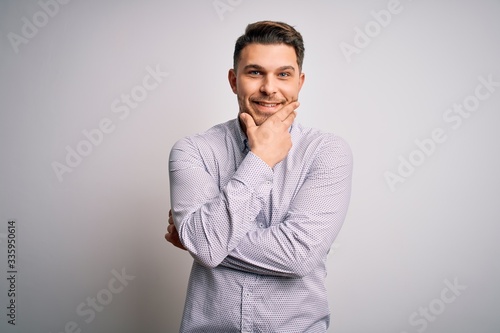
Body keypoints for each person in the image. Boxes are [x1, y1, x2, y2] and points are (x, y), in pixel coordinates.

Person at [165, 20, 353, 333]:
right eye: (255, 72)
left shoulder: (328, 152)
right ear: (233, 80)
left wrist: (201, 240)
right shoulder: (192, 151)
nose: (269, 87)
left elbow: (298, 256)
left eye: (283, 74)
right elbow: (204, 243)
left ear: (300, 82)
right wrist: (261, 159)